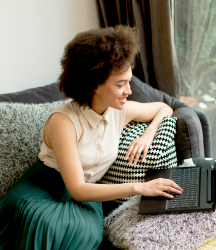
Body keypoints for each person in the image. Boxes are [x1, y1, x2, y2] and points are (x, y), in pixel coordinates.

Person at [0, 25, 183, 250]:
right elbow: (77, 188)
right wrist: (139, 187)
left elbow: (165, 108)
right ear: (94, 84)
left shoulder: (120, 111)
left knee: (85, 233)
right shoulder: (63, 121)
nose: (129, 90)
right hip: (45, 188)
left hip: (88, 194)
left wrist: (148, 134)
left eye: (129, 81)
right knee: (47, 225)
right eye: (120, 84)